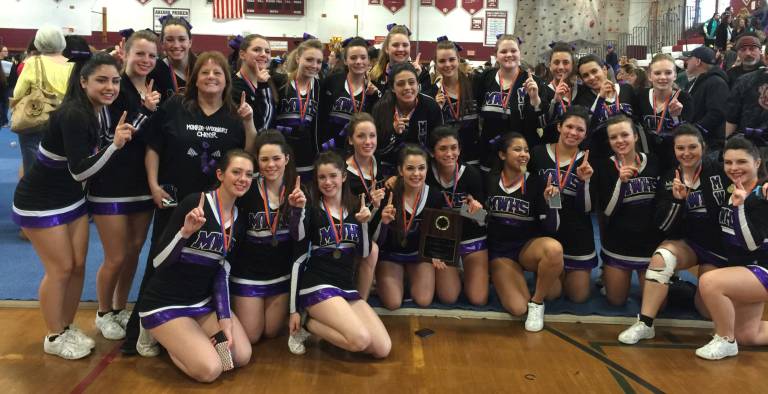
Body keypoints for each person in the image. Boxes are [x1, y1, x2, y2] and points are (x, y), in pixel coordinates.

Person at [123, 51, 256, 355]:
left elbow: (247, 154)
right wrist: (154, 184)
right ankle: (143, 329)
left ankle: (193, 328)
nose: (211, 77)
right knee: (162, 261)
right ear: (195, 78)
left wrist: (249, 123)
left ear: (227, 81)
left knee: (211, 266)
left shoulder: (235, 114)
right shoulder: (176, 106)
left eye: (217, 73)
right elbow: (154, 147)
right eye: (205, 72)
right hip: (175, 201)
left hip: (217, 205)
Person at [12, 52, 133, 359]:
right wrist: (114, 146)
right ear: (83, 81)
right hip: (40, 200)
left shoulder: (96, 110)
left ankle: (65, 327)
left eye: (115, 81)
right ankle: (54, 336)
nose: (110, 87)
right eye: (101, 80)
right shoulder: (74, 114)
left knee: (78, 265)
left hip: (70, 198)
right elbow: (80, 170)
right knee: (61, 268)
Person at [137, 150, 254, 381]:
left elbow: (222, 273)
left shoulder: (239, 219)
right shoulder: (195, 203)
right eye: (236, 172)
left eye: (249, 174)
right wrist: (184, 233)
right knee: (211, 370)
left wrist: (225, 320)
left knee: (240, 356)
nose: (243, 179)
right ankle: (160, 335)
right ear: (220, 174)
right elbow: (159, 262)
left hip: (201, 302)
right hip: (166, 302)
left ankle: (188, 338)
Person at [617, 124, 730, 345]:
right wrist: (677, 202)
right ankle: (645, 323)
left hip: (717, 248)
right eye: (680, 148)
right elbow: (665, 227)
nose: (686, 153)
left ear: (703, 147)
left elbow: (748, 180)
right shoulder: (669, 177)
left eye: (692, 147)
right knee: (662, 257)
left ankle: (685, 290)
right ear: (674, 150)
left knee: (706, 311)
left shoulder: (721, 171)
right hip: (688, 243)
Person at [88, 30, 161, 340]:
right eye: (139, 53)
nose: (146, 60)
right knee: (116, 255)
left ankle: (119, 307)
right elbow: (118, 136)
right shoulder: (115, 87)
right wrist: (146, 110)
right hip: (111, 183)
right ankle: (103, 311)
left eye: (151, 55)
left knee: (133, 252)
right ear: (125, 53)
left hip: (142, 183)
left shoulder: (155, 87)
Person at [286, 151, 391, 358]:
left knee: (382, 349)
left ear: (343, 176)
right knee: (360, 340)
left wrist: (363, 224)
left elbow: (364, 252)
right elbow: (297, 240)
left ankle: (321, 323)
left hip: (345, 285)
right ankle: (307, 324)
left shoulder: (356, 207)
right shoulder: (312, 208)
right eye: (322, 177)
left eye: (333, 176)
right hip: (318, 285)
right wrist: (297, 210)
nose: (327, 182)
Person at [695, 136, 768, 360]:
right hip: (746, 269)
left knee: (710, 282)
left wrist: (740, 207)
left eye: (742, 161)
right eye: (728, 162)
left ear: (757, 162)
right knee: (749, 335)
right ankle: (733, 336)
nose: (734, 168)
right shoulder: (732, 188)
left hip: (762, 268)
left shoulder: (763, 196)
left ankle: (725, 340)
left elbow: (751, 244)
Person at [487, 132, 564, 330]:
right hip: (501, 252)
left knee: (554, 253)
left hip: (527, 248)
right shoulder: (488, 180)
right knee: (518, 308)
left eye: (527, 150)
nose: (524, 154)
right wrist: (472, 211)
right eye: (517, 149)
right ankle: (504, 276)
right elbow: (478, 218)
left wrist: (552, 202)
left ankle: (537, 302)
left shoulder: (540, 182)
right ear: (502, 155)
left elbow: (553, 229)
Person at [228, 131, 297, 344]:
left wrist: (299, 211)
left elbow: (302, 238)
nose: (271, 165)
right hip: (248, 273)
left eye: (276, 158)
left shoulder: (297, 191)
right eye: (264, 159)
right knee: (252, 336)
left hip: (280, 274)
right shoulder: (246, 189)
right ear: (257, 160)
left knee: (271, 332)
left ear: (286, 158)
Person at [529, 106, 596, 302]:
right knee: (551, 294)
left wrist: (584, 182)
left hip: (577, 233)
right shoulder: (537, 153)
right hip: (546, 232)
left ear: (585, 134)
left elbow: (587, 208)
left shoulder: (588, 161)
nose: (573, 133)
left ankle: (564, 273)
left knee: (578, 297)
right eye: (569, 126)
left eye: (580, 129)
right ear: (559, 127)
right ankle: (553, 271)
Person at [596, 115, 664, 306]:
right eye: (613, 137)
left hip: (650, 246)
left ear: (635, 136)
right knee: (616, 301)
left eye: (624, 135)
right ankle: (607, 274)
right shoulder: (604, 166)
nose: (620, 141)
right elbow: (607, 211)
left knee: (658, 305)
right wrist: (621, 183)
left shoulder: (654, 161)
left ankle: (669, 277)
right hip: (618, 245)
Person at [375, 144, 444, 310]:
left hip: (418, 255)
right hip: (390, 255)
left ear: (427, 169)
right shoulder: (388, 194)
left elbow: (441, 229)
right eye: (410, 168)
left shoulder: (434, 195)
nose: (416, 174)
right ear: (400, 170)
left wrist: (436, 252)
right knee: (393, 303)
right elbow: (375, 240)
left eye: (421, 168)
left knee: (423, 300)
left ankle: (407, 277)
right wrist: (383, 222)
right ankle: (389, 279)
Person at [426, 126, 489, 306]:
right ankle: (456, 272)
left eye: (454, 148)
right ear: (432, 152)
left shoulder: (471, 174)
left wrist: (476, 212)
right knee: (449, 297)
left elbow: (485, 219)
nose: (449, 153)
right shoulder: (425, 174)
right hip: (443, 240)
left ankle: (466, 272)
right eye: (443, 148)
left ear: (460, 150)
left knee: (478, 299)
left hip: (471, 236)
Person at [475, 34, 550, 171]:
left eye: (513, 51)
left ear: (520, 53)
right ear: (496, 55)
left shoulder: (534, 82)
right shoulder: (486, 78)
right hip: (490, 151)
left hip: (521, 153)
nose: (509, 55)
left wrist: (535, 99)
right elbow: (478, 109)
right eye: (503, 51)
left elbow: (542, 123)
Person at [12, 26, 73, 174]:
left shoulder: (33, 62)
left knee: (32, 163)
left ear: (38, 43)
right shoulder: (73, 64)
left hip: (36, 117)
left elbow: (18, 92)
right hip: (66, 118)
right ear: (62, 42)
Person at [371, 63, 443, 174]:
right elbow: (377, 150)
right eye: (400, 84)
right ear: (392, 88)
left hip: (422, 170)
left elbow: (438, 144)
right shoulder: (381, 109)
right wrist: (394, 133)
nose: (407, 88)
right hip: (389, 171)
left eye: (411, 82)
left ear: (418, 84)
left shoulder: (430, 106)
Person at [344, 113, 386, 299]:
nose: (368, 141)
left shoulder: (379, 164)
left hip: (372, 229)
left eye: (372, 135)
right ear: (350, 140)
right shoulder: (343, 173)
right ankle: (360, 301)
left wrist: (376, 208)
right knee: (371, 250)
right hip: (349, 230)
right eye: (361, 136)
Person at [423, 36, 480, 165]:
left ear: (458, 60)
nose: (448, 64)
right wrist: (435, 109)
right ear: (436, 64)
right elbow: (429, 131)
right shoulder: (430, 94)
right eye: (442, 61)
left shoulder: (474, 85)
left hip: (473, 158)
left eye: (452, 59)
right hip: (445, 160)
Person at [633, 53, 694, 171]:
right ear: (649, 76)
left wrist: (676, 118)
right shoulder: (640, 96)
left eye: (668, 73)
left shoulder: (684, 99)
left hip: (675, 161)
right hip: (647, 160)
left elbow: (688, 135)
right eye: (657, 73)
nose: (663, 77)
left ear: (675, 75)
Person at [319, 37, 379, 153]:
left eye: (363, 58)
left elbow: (374, 125)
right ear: (345, 60)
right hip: (330, 150)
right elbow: (321, 118)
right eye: (353, 58)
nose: (358, 61)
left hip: (359, 151)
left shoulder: (373, 90)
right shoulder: (332, 82)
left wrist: (373, 97)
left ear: (368, 61)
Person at [273, 38, 323, 179]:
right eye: (309, 60)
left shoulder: (319, 87)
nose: (314, 65)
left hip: (306, 153)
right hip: (280, 150)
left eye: (319, 61)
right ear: (297, 58)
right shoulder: (279, 81)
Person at [573, 54, 635, 161]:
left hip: (628, 153)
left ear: (604, 70)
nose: (591, 77)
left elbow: (637, 120)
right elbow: (587, 127)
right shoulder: (581, 99)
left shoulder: (627, 90)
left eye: (594, 71)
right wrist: (600, 98)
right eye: (586, 75)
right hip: (600, 157)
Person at [682, 46, 729, 154]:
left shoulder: (716, 82)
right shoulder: (694, 82)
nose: (686, 62)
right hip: (696, 140)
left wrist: (694, 131)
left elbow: (716, 113)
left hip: (710, 144)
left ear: (698, 61)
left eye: (689, 58)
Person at [231, 34, 278, 132]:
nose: (264, 54)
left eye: (267, 51)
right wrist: (262, 86)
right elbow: (260, 124)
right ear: (242, 54)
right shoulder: (232, 87)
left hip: (269, 140)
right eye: (256, 50)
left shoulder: (273, 82)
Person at [369, 24, 429, 95]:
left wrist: (415, 78)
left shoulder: (422, 74)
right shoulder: (375, 75)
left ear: (410, 48)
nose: (400, 49)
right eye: (395, 45)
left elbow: (427, 100)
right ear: (387, 48)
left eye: (405, 45)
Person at [147, 16, 196, 102]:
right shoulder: (154, 70)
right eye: (170, 40)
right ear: (162, 44)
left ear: (190, 42)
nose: (176, 45)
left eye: (182, 39)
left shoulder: (202, 68)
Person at [544, 42, 577, 144]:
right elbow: (542, 124)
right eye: (556, 62)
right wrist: (555, 101)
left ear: (572, 65)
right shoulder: (543, 91)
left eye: (566, 62)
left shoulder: (580, 90)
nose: (561, 67)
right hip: (552, 145)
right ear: (550, 66)